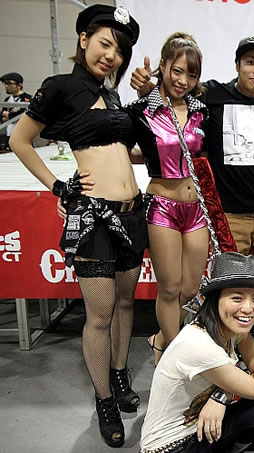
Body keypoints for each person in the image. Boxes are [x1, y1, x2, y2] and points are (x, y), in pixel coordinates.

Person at [9, 5, 144, 448]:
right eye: (105, 44)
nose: (112, 56)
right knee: (100, 315)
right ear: (83, 39)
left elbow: (122, 151)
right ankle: (104, 399)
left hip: (132, 212)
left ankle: (120, 376)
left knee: (125, 304)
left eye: (119, 50)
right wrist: (57, 186)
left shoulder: (114, 96)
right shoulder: (61, 87)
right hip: (95, 217)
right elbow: (19, 139)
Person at [131, 34, 254, 268]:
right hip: (226, 214)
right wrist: (147, 90)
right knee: (227, 280)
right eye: (250, 62)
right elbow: (174, 97)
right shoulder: (210, 95)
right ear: (237, 65)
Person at [140, 252, 254, 453]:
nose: (248, 308)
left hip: (200, 430)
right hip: (173, 447)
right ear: (215, 300)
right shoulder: (198, 344)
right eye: (237, 298)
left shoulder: (229, 327)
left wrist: (221, 396)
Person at [127, 32, 209, 365]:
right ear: (162, 66)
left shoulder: (202, 111)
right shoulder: (141, 111)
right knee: (170, 288)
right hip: (162, 206)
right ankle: (174, 360)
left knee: (190, 289)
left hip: (197, 208)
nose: (183, 81)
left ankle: (161, 338)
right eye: (177, 71)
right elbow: (119, 150)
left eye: (192, 74)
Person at [1, 72, 32, 151]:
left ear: (19, 85)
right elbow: (2, 118)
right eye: (5, 83)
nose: (6, 86)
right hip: (9, 133)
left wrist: (10, 115)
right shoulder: (7, 100)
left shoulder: (27, 99)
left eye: (9, 83)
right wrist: (10, 115)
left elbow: (24, 115)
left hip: (23, 135)